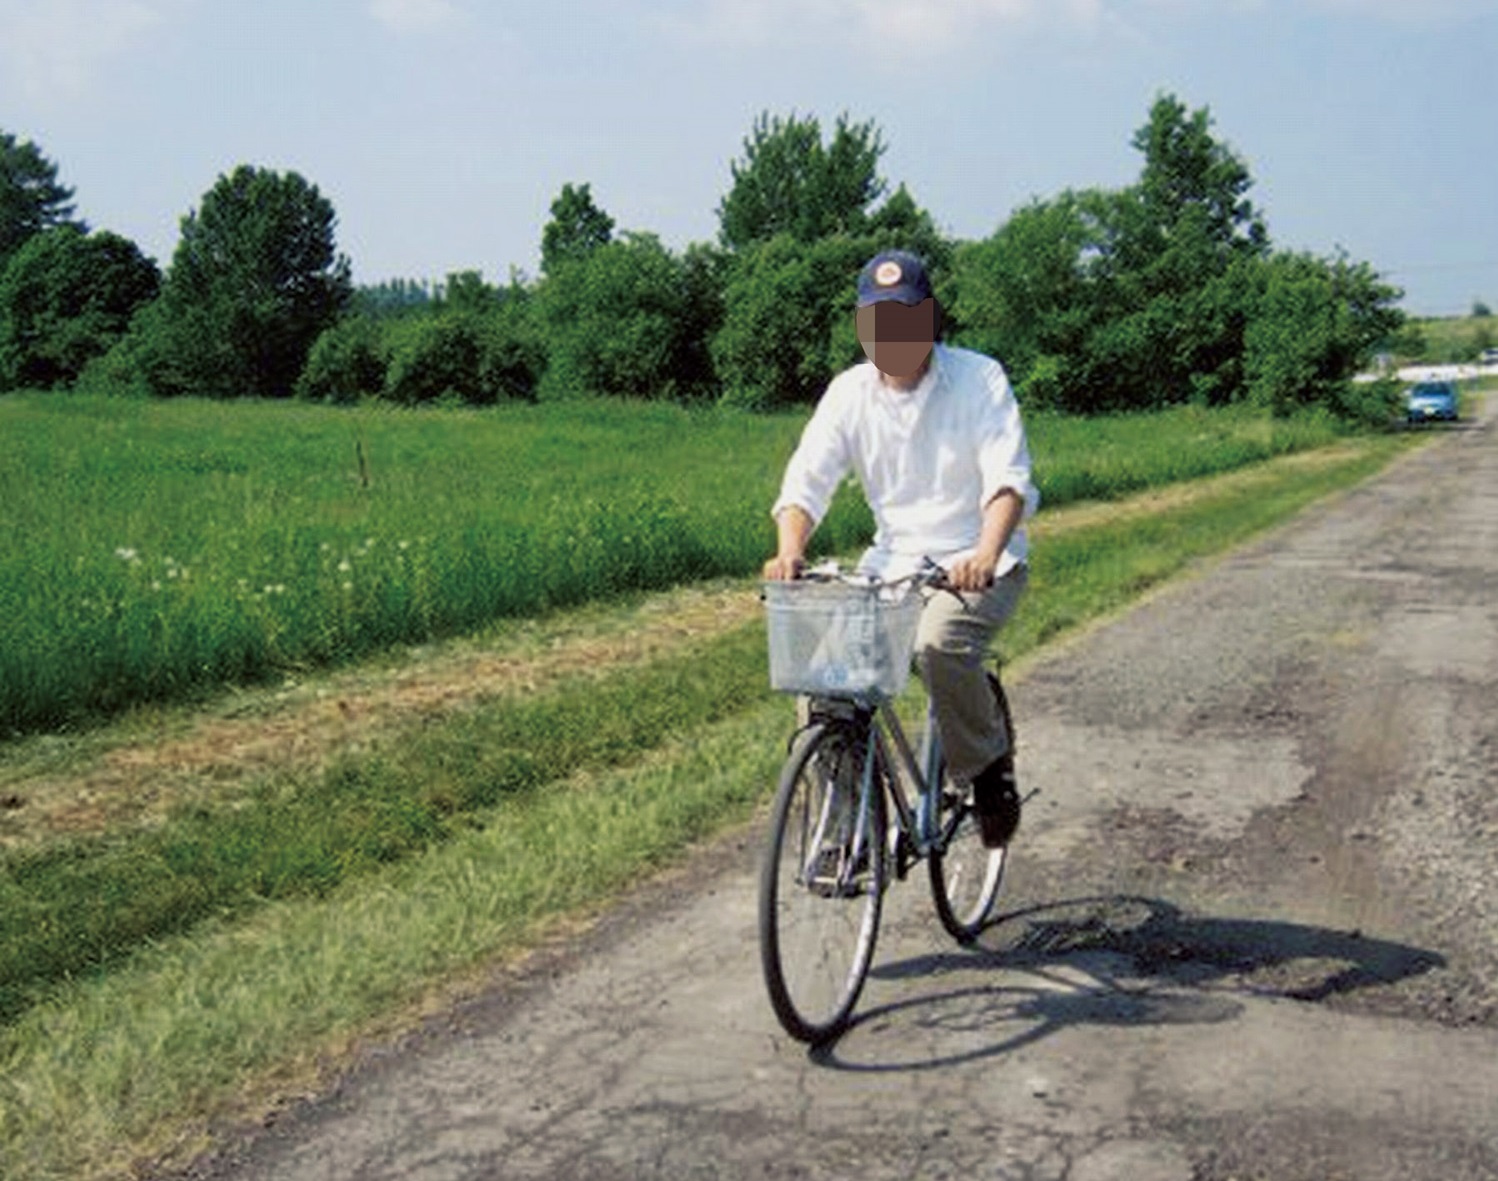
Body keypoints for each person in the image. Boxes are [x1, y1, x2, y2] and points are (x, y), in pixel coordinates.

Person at [763, 249, 1038, 847]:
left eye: (906, 321)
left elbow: (1006, 478)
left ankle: (988, 771)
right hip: (891, 567)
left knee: (938, 646)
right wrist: (790, 550)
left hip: (978, 562)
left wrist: (986, 553)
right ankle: (845, 825)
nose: (892, 336)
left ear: (931, 319)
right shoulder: (849, 393)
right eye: (878, 323)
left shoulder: (978, 377)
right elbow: (806, 482)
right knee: (826, 674)